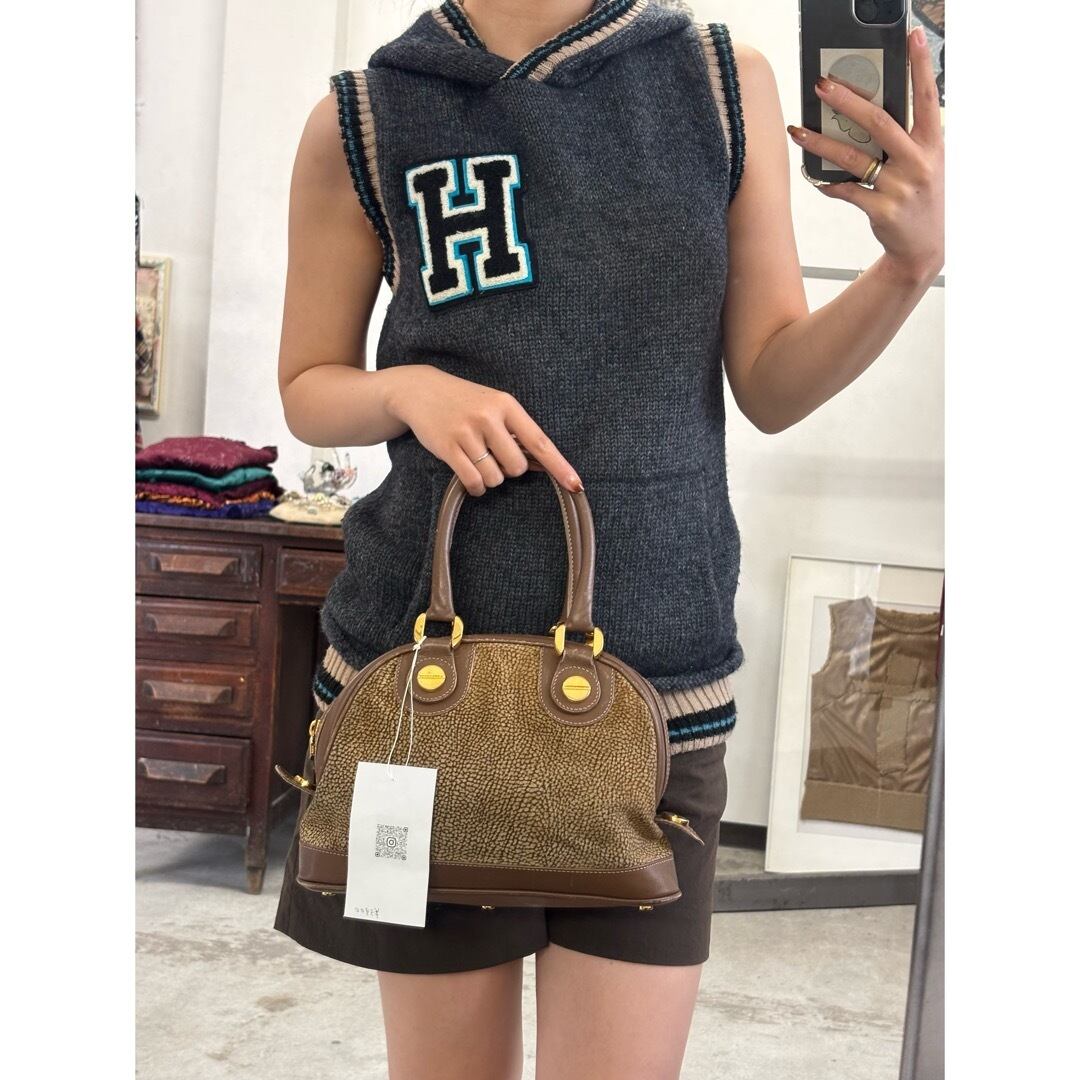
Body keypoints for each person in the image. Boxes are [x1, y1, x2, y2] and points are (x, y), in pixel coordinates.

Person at [273, 2, 944, 1076]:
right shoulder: (365, 115)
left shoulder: (718, 82)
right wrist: (406, 388)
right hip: (426, 691)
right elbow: (310, 386)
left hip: (655, 692)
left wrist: (904, 270)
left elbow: (771, 382)